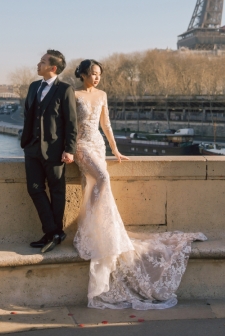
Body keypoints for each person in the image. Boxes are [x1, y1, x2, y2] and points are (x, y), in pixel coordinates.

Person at [71, 58, 205, 310]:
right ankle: (93, 226)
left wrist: (116, 150)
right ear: (82, 74)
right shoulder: (73, 94)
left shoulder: (101, 94)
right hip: (81, 146)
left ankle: (97, 226)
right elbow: (68, 125)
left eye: (99, 74)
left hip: (97, 145)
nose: (97, 77)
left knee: (97, 182)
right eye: (92, 73)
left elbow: (106, 124)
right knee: (102, 178)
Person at [21, 49, 78, 254]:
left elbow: (71, 122)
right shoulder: (34, 86)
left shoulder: (65, 90)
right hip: (32, 149)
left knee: (57, 192)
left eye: (42, 61)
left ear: (53, 68)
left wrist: (69, 149)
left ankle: (51, 234)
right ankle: (54, 232)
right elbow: (29, 114)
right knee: (34, 188)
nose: (38, 64)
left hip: (54, 151)